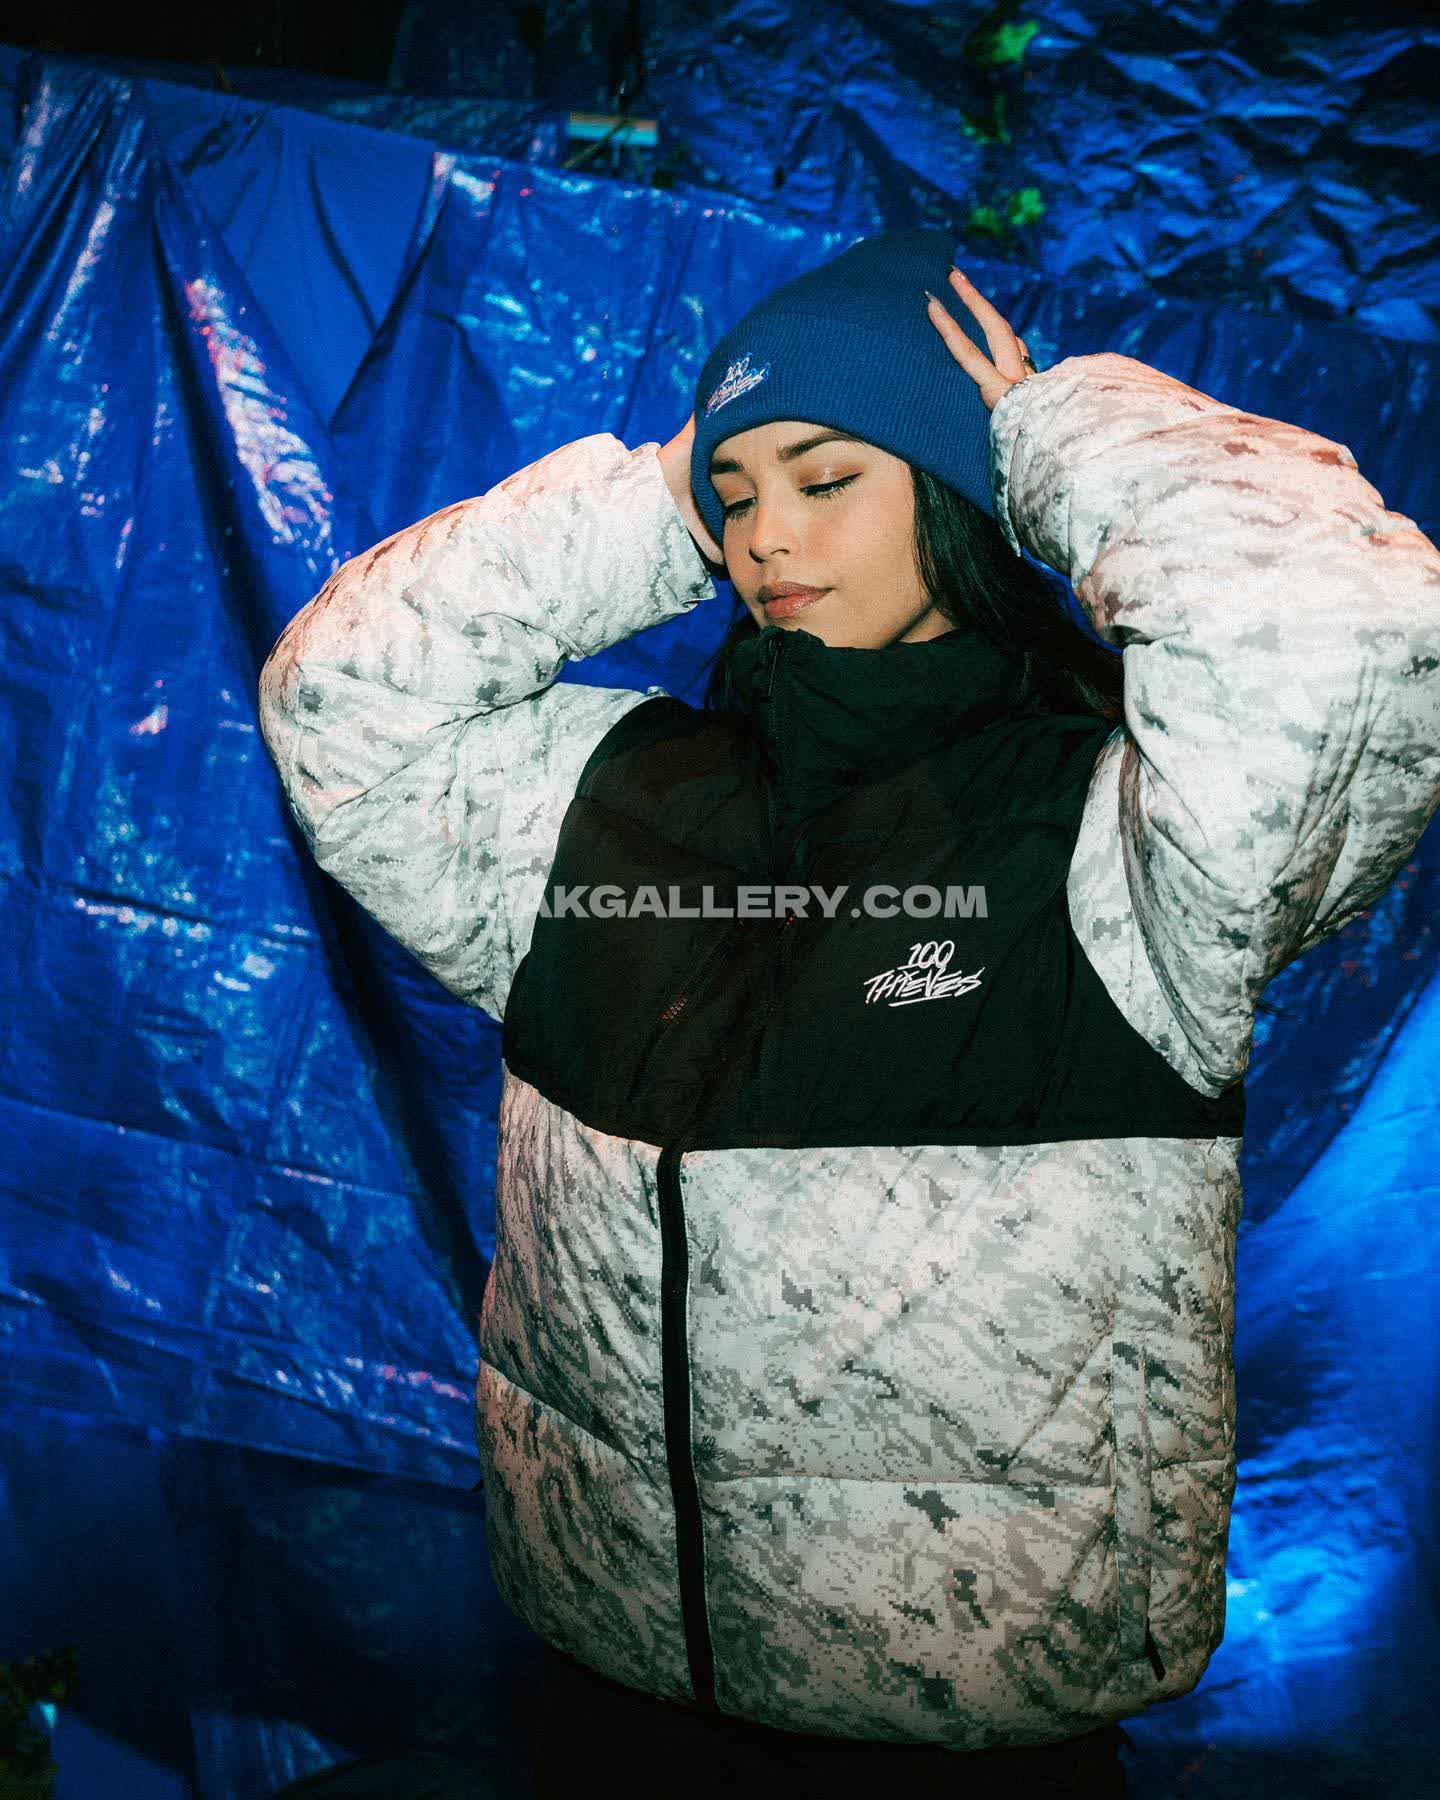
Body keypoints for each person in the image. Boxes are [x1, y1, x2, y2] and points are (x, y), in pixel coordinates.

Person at [256, 229, 1440, 1797]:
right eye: (733, 494)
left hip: (967, 1746)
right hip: (614, 1692)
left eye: (825, 478)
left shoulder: (1123, 840)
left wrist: (1049, 440)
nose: (766, 535)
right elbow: (339, 694)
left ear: (958, 495)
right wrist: (650, 505)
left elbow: (1353, 635)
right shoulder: (610, 802)